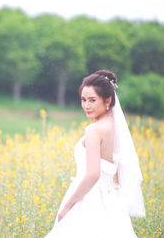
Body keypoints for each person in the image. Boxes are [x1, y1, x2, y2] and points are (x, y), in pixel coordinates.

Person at [45, 69, 145, 238]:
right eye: (83, 100)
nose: (86, 106)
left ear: (108, 100)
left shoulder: (93, 130)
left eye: (92, 100)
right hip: (110, 200)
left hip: (89, 200)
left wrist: (67, 207)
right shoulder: (116, 127)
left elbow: (92, 174)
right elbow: (118, 171)